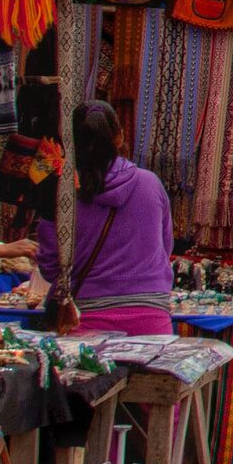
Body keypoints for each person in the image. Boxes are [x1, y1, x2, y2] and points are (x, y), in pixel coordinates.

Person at [37, 101, 178, 336]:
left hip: (85, 323)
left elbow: (52, 268)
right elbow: (165, 248)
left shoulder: (62, 193)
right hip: (151, 321)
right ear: (119, 137)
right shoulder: (150, 184)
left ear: (70, 142)